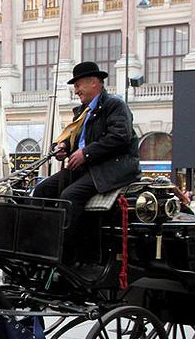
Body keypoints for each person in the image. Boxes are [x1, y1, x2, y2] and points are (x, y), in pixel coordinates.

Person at [31, 61, 139, 259]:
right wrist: (63, 148)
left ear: (93, 82)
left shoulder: (114, 105)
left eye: (78, 84)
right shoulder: (82, 112)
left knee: (70, 195)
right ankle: (38, 243)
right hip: (87, 168)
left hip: (110, 168)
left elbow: (120, 136)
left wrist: (85, 153)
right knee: (42, 190)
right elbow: (76, 141)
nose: (76, 90)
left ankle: (65, 253)